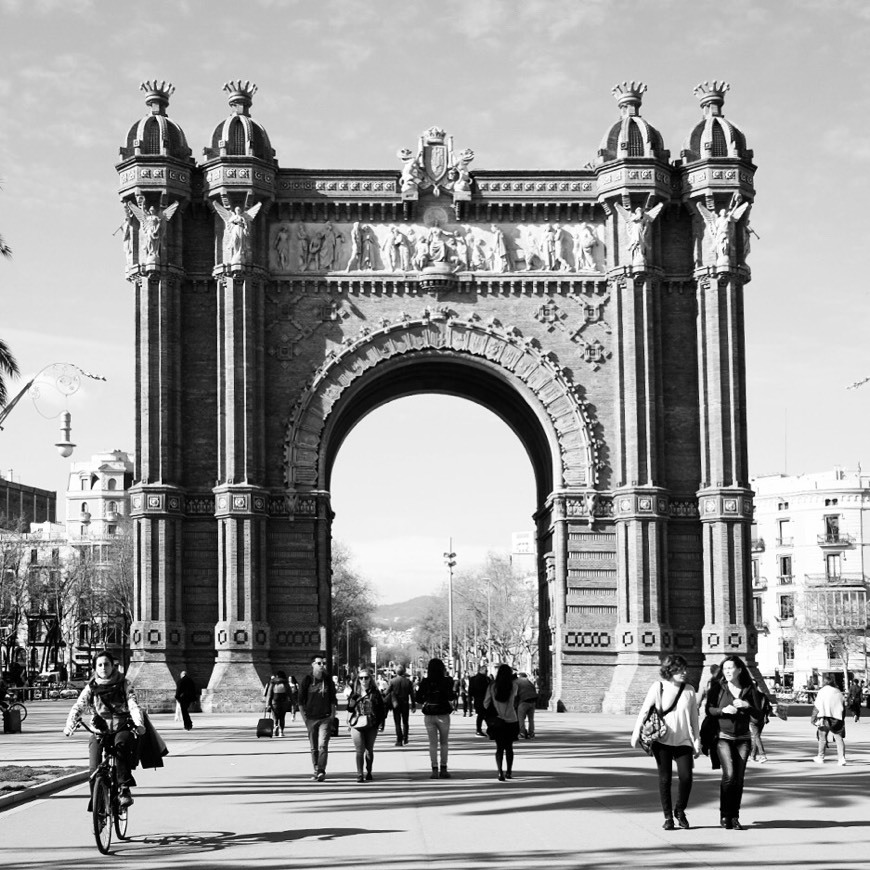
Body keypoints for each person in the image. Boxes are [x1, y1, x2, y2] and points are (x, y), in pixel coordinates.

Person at [63, 650, 145, 809]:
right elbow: (79, 706)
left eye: (106, 664)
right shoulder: (91, 687)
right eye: (99, 665)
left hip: (121, 726)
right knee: (94, 770)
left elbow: (133, 705)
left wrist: (139, 724)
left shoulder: (124, 683)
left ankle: (124, 789)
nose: (103, 668)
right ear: (95, 667)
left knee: (121, 746)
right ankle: (98, 809)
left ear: (112, 666)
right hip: (99, 730)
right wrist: (69, 725)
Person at [630, 654, 700, 830]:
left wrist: (697, 741)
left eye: (685, 668)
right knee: (665, 779)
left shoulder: (690, 690)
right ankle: (668, 817)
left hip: (683, 741)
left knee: (686, 777)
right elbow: (645, 711)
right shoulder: (658, 687)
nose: (684, 672)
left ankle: (680, 810)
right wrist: (635, 734)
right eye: (679, 669)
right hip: (662, 740)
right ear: (669, 670)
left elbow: (694, 719)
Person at [705, 655, 762, 830]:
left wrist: (747, 706)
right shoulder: (717, 688)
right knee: (729, 776)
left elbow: (759, 714)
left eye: (731, 668)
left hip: (743, 739)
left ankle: (734, 816)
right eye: (725, 668)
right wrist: (723, 710)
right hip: (723, 737)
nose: (727, 671)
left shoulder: (749, 689)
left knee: (738, 778)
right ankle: (725, 815)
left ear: (739, 669)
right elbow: (709, 710)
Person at [299, 654, 338, 782]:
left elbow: (333, 699)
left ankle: (321, 770)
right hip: (310, 718)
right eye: (319, 663)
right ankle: (316, 768)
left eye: (324, 663)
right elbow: (300, 701)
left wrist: (332, 715)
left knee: (323, 745)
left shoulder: (328, 681)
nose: (322, 666)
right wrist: (304, 718)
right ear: (313, 665)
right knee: (314, 747)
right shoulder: (307, 680)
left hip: (325, 718)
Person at [416, 658, 456, 779]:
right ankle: (443, 768)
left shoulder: (425, 682)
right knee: (444, 743)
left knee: (432, 743)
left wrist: (427, 698)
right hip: (443, 714)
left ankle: (434, 769)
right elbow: (451, 696)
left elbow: (418, 698)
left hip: (429, 715)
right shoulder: (447, 681)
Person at [347, 667, 387, 782]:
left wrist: (380, 723)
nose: (363, 680)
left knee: (369, 749)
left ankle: (369, 771)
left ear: (370, 679)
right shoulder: (355, 693)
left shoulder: (375, 693)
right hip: (357, 723)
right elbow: (349, 709)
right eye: (361, 678)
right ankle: (360, 774)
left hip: (371, 724)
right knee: (359, 750)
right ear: (358, 680)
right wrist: (352, 703)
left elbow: (381, 710)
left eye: (366, 678)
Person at [484, 664, 520, 782]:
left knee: (499, 748)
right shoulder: (514, 686)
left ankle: (500, 773)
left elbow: (485, 703)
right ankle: (509, 771)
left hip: (497, 721)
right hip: (511, 719)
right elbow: (514, 699)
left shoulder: (492, 686)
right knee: (509, 747)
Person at [813, 676, 847, 765]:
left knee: (822, 738)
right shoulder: (838, 692)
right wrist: (842, 719)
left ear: (824, 682)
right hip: (837, 717)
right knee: (839, 739)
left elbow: (817, 706)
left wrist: (813, 718)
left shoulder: (821, 691)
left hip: (824, 717)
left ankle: (820, 757)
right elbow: (843, 707)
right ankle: (841, 758)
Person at [385, 665, 414, 746]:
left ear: (395, 672)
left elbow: (387, 692)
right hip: (405, 704)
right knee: (405, 722)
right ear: (404, 672)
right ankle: (405, 738)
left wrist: (383, 694)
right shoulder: (408, 682)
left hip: (396, 704)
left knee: (397, 722)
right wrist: (413, 705)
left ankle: (399, 740)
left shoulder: (392, 681)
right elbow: (412, 694)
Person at [749, 679, 772, 763]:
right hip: (762, 719)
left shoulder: (750, 696)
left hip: (753, 719)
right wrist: (766, 716)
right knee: (756, 737)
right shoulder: (763, 696)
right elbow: (768, 708)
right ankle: (752, 756)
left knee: (756, 737)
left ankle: (762, 755)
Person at [265, 670, 291, 736]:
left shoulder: (273, 683)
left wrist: (267, 704)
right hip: (284, 702)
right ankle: (281, 731)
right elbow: (290, 693)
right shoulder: (285, 683)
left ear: (277, 676)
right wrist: (293, 702)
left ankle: (275, 726)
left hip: (274, 702)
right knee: (282, 717)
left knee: (275, 716)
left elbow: (269, 694)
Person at [469, 665, 491, 736]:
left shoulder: (473, 679)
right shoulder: (485, 679)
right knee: (484, 715)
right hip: (484, 699)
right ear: (482, 670)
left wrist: (470, 698)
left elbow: (470, 691)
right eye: (486, 671)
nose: (487, 672)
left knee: (482, 715)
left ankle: (483, 729)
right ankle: (481, 730)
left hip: (478, 699)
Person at [515, 672, 538, 739]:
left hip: (523, 701)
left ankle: (522, 732)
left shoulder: (517, 682)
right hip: (532, 701)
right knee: (531, 719)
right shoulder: (529, 682)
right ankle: (531, 733)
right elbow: (534, 691)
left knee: (521, 718)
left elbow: (515, 693)